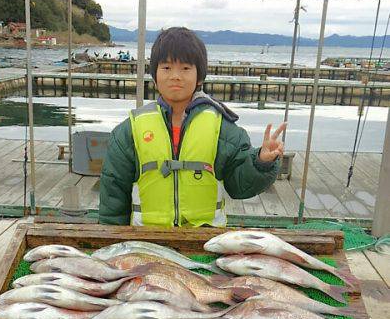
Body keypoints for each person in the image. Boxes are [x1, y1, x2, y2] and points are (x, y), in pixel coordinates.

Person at [99, 26, 285, 226]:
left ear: (200, 77)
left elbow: (239, 186)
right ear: (154, 75)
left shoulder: (222, 128)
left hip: (205, 242)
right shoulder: (130, 131)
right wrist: (111, 239)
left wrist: (261, 162)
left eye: (185, 68)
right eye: (167, 68)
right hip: (146, 241)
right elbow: (113, 193)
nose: (175, 76)